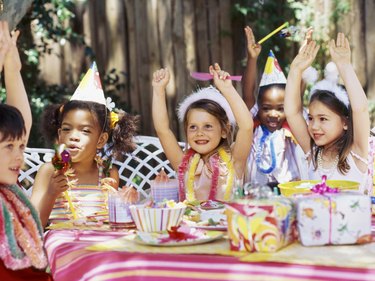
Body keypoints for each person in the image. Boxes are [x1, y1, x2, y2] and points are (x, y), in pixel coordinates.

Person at [31, 63, 138, 227]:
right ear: (60, 135)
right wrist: (51, 193)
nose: (73, 136)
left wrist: (126, 202)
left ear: (101, 140)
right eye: (67, 129)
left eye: (85, 131)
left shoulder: (109, 173)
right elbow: (33, 226)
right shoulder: (49, 172)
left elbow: (115, 222)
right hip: (61, 247)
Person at [284, 33, 371, 194]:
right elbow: (292, 112)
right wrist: (295, 70)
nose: (314, 126)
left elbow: (360, 109)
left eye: (323, 119)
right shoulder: (312, 153)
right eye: (310, 118)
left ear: (345, 122)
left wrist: (344, 66)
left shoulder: (357, 152)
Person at [152, 63, 253, 201]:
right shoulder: (183, 164)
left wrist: (227, 89)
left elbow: (246, 126)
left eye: (208, 126)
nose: (199, 133)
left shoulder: (234, 161)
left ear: (224, 130)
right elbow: (162, 130)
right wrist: (159, 90)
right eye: (193, 127)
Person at [0, 21, 51, 280]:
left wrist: (12, 66)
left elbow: (22, 121)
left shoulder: (9, 189)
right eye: (8, 146)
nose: (19, 155)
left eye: (21, 146)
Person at [242, 26, 314, 188]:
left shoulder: (292, 130)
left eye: (281, 109)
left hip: (290, 191)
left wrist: (303, 55)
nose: (273, 114)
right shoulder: (252, 128)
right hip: (257, 194)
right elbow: (247, 95)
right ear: (258, 108)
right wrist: (252, 58)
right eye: (266, 108)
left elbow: (297, 93)